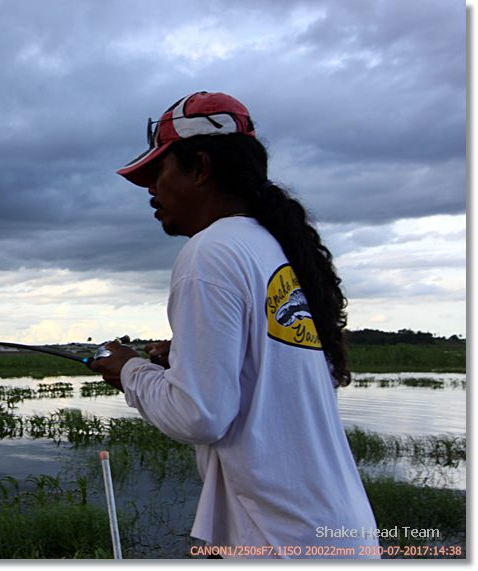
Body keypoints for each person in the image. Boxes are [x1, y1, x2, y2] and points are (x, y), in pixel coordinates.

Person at [90, 91, 380, 559]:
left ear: (200, 168)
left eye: (159, 173)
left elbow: (198, 416)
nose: (151, 190)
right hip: (337, 531)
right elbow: (265, 380)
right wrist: (179, 360)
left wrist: (128, 370)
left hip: (283, 540)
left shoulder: (209, 253)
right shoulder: (274, 249)